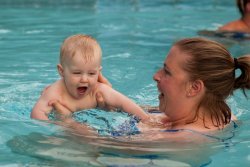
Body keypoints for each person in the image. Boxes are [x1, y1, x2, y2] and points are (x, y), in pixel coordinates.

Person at [51, 37, 250, 137]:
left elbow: (98, 144)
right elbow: (142, 112)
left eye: (167, 71)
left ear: (194, 88)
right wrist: (108, 104)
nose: (156, 76)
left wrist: (66, 121)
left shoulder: (185, 140)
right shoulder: (214, 113)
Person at [31, 34, 157, 125]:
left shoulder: (98, 90)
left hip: (101, 112)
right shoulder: (55, 93)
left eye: (91, 73)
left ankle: (154, 109)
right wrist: (53, 127)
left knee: (127, 110)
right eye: (77, 73)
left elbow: (125, 103)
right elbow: (37, 113)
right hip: (72, 121)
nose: (84, 79)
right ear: (62, 71)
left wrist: (146, 119)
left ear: (99, 72)